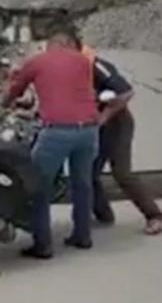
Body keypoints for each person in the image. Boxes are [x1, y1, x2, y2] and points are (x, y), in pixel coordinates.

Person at [1, 24, 99, 258]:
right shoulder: (83, 62)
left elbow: (14, 91)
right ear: (67, 44)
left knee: (36, 185)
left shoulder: (37, 61)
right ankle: (82, 236)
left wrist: (5, 103)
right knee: (82, 184)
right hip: (88, 130)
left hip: (57, 131)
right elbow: (70, 90)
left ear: (52, 44)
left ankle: (42, 244)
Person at [80, 44, 162, 235]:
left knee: (122, 172)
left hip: (116, 124)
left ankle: (154, 216)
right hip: (91, 126)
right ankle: (103, 214)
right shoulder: (63, 67)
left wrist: (105, 116)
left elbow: (126, 92)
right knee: (88, 171)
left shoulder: (97, 66)